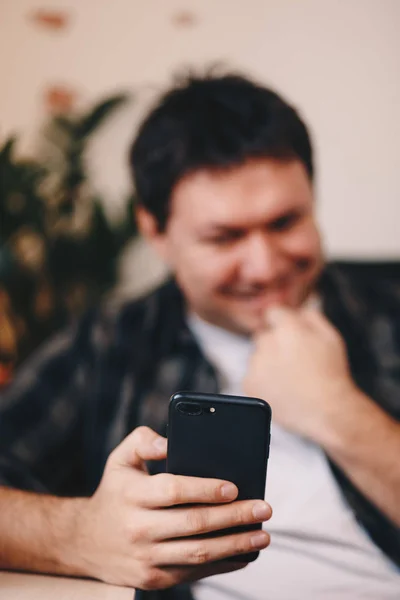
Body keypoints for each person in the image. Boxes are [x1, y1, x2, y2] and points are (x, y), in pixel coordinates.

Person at [0, 72, 399, 600]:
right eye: (224, 237)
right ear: (156, 234)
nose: (263, 268)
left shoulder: (389, 308)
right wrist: (80, 534)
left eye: (285, 223)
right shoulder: (110, 341)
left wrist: (340, 412)